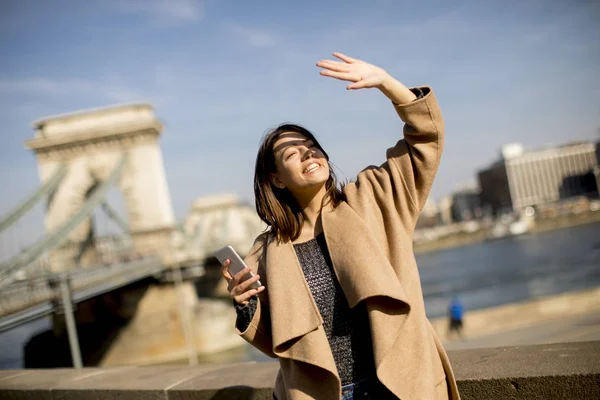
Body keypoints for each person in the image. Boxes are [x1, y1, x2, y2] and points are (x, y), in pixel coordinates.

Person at [220, 52, 460, 400]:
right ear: (277, 180)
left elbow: (425, 139)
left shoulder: (375, 198)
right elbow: (277, 344)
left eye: (312, 147)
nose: (308, 155)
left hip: (398, 385)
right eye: (292, 154)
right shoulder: (266, 251)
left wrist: (385, 82)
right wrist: (246, 307)